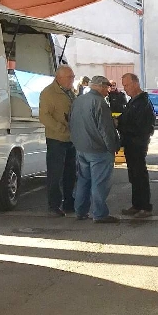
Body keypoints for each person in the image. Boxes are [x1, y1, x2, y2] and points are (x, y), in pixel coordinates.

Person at [69, 75, 120, 223]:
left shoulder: (78, 101)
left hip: (81, 147)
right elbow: (106, 130)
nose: (108, 91)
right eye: (106, 87)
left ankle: (80, 211)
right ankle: (99, 214)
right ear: (101, 86)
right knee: (99, 183)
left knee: (83, 181)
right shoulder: (100, 103)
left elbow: (71, 123)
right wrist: (112, 147)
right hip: (98, 150)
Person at [39, 65, 78, 216]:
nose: (72, 80)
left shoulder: (70, 92)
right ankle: (54, 205)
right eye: (70, 77)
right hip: (56, 139)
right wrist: (60, 128)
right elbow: (44, 116)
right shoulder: (48, 93)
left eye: (73, 77)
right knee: (55, 174)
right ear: (59, 78)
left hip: (70, 139)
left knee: (70, 173)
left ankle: (69, 203)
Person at [117, 73, 155, 218]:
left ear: (135, 84)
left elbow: (141, 127)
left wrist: (120, 125)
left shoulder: (143, 103)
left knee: (139, 175)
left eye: (126, 85)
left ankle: (145, 207)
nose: (125, 89)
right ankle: (136, 205)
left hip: (137, 143)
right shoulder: (133, 101)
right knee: (133, 175)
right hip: (130, 143)